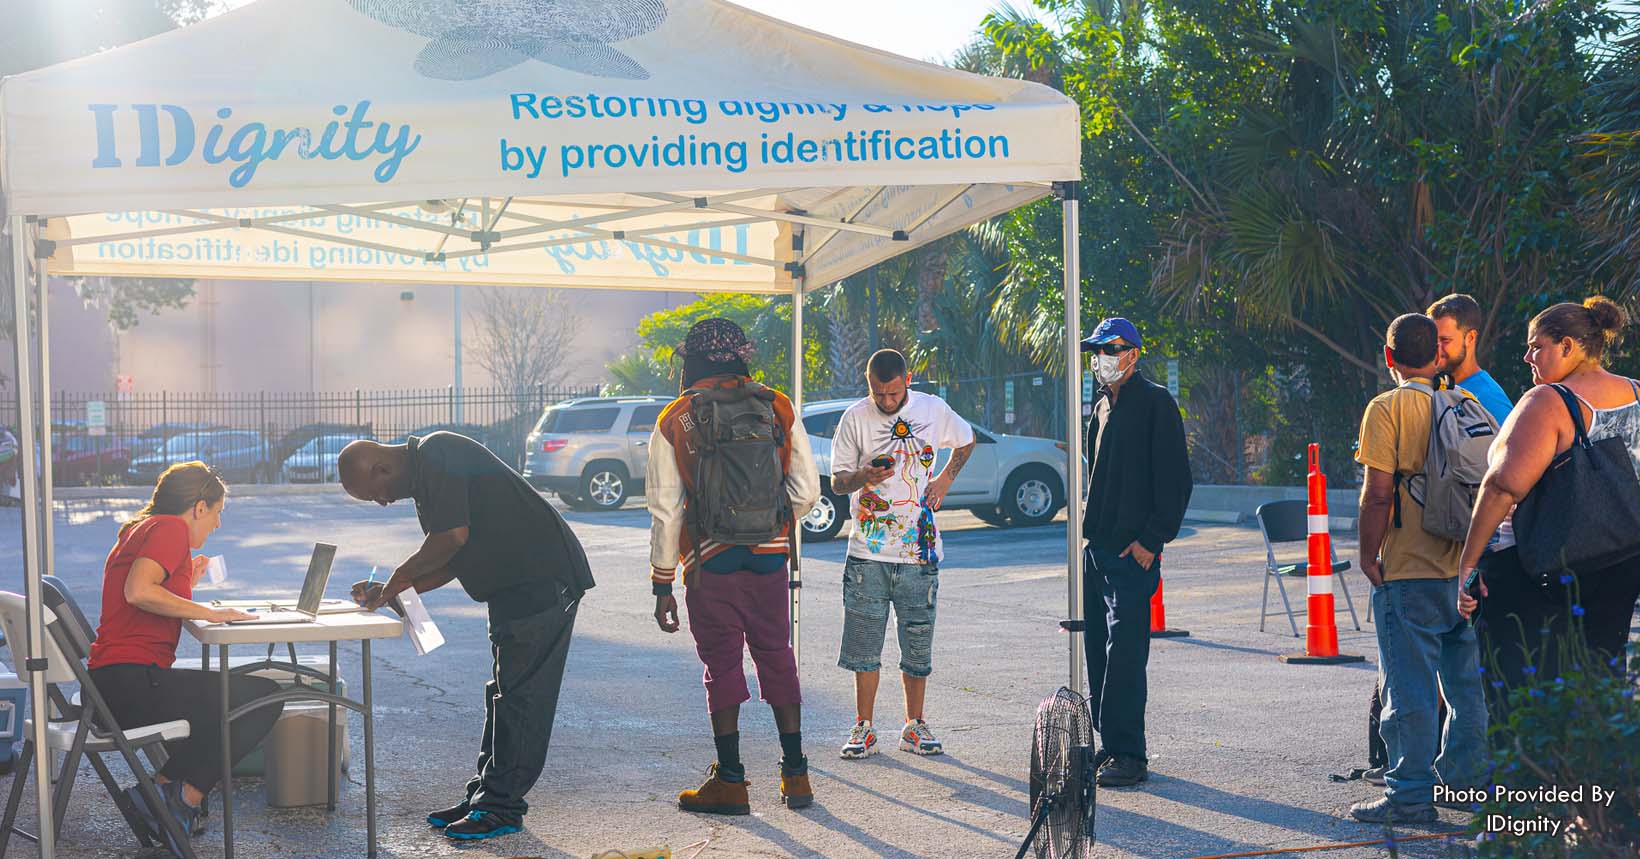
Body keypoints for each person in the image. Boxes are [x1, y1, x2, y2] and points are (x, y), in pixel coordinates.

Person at [339, 430, 595, 842]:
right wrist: (389, 591)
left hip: (542, 581)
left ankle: (501, 808)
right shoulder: (427, 481)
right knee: (504, 695)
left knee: (521, 700)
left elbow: (450, 539)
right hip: (512, 587)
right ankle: (484, 796)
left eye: (377, 494)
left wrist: (397, 580)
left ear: (382, 468)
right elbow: (453, 559)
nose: (384, 502)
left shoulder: (438, 452)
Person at [646, 318, 821, 815]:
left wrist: (663, 583)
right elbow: (808, 492)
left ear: (691, 363)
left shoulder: (675, 418)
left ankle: (731, 782)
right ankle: (797, 775)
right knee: (777, 654)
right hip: (770, 558)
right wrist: (771, 523)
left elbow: (666, 510)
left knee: (721, 664)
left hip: (709, 562)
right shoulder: (777, 405)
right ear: (741, 355)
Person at [1458, 297, 1640, 712]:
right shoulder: (1636, 393)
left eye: (1536, 346)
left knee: (1523, 692)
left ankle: (1533, 778)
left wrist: (1468, 563)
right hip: (1623, 560)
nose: (1527, 357)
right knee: (1600, 679)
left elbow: (1502, 486)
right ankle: (1597, 772)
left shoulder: (1549, 401)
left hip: (1544, 569)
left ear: (1569, 346)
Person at [86, 462, 277, 857]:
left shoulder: (144, 528)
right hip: (131, 685)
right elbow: (138, 591)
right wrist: (209, 612)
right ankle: (179, 798)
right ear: (199, 508)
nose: (218, 524)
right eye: (219, 512)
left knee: (228, 702)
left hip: (113, 684)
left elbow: (144, 586)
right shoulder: (170, 529)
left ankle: (158, 793)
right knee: (265, 697)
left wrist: (185, 575)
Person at [1350, 313, 1487, 824]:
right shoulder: (1467, 403)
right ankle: (1467, 783)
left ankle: (1409, 794)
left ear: (1389, 357)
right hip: (1467, 568)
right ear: (1438, 356)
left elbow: (1378, 493)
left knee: (1408, 689)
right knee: (1467, 687)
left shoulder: (1386, 408)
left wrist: (1368, 555)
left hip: (1409, 570)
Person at [831, 348, 975, 760]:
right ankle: (864, 727)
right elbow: (839, 482)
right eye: (879, 394)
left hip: (920, 550)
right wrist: (863, 476)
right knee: (863, 643)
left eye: (894, 393)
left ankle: (914, 725)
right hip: (868, 551)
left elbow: (966, 441)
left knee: (917, 641)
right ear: (868, 384)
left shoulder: (934, 409)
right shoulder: (855, 418)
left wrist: (946, 479)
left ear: (907, 380)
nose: (887, 402)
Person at [1079, 317, 1192, 788]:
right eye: (1098, 348)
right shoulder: (1102, 405)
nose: (1103, 356)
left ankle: (1131, 753)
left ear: (1134, 354)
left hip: (1133, 552)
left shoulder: (1156, 404)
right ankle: (1111, 742)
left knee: (1126, 652)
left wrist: (1152, 540)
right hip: (1099, 548)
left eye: (1112, 348)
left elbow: (1176, 480)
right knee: (1099, 653)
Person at [1427, 294, 1516, 424]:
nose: (1436, 348)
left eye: (1445, 340)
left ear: (1470, 338)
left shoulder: (1489, 399)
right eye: (1432, 340)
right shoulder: (1436, 388)